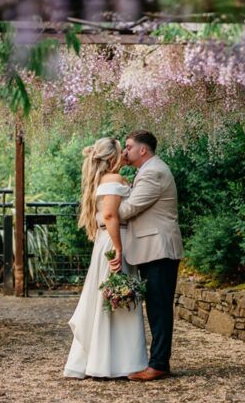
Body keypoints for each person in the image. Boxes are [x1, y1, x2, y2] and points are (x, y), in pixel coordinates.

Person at [63, 137, 147, 379]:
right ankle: (115, 363)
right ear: (112, 157)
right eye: (122, 150)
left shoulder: (102, 180)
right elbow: (110, 215)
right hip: (114, 240)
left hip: (106, 240)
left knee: (111, 299)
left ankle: (105, 360)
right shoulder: (113, 179)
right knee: (117, 299)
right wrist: (119, 249)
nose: (125, 154)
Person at [110, 130, 184, 381]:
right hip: (152, 248)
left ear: (143, 150)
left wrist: (103, 211)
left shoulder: (154, 172)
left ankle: (159, 364)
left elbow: (129, 208)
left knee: (159, 308)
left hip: (159, 249)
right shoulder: (147, 170)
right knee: (155, 306)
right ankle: (158, 362)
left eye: (128, 147)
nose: (124, 152)